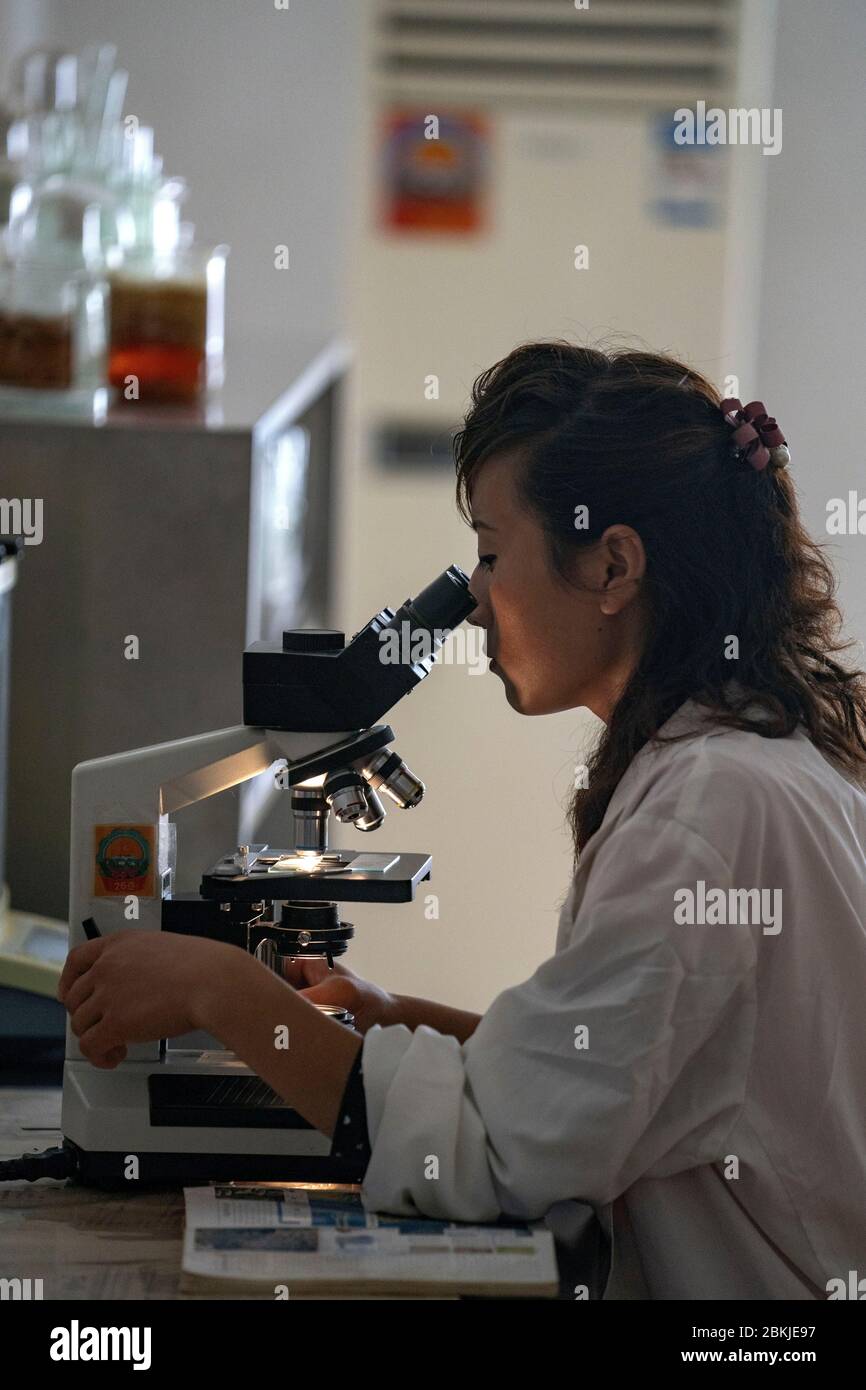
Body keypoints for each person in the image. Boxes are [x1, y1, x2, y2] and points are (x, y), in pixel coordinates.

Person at [58, 342, 866, 1300]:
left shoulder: (707, 814)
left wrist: (221, 992)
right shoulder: (768, 758)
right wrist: (403, 1019)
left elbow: (495, 1158)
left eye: (490, 551)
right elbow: (629, 1077)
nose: (474, 599)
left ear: (613, 564)